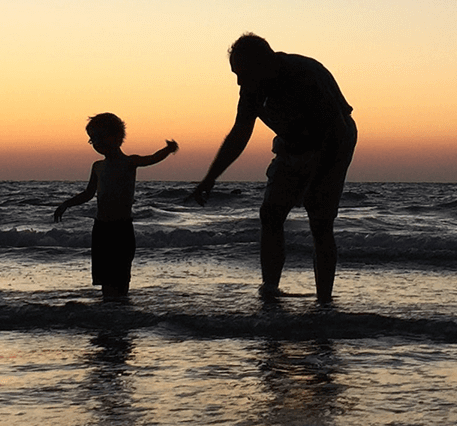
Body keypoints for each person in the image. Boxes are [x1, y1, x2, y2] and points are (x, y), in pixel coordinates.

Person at [190, 34, 357, 303]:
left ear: (263, 63)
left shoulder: (304, 74)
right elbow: (239, 134)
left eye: (242, 73)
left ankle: (324, 300)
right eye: (235, 74)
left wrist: (316, 182)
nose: (239, 82)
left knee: (320, 222)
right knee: (270, 214)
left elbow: (334, 131)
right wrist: (210, 178)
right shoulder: (251, 88)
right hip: (290, 144)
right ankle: (270, 289)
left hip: (333, 141)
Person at [54, 113, 178, 299]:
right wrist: (66, 204)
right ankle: (109, 311)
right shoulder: (97, 166)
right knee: (105, 278)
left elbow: (152, 158)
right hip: (101, 229)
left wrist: (168, 149)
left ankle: (121, 309)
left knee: (121, 276)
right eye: (93, 139)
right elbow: (88, 194)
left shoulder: (129, 162)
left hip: (122, 229)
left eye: (100, 137)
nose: (97, 143)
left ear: (117, 137)